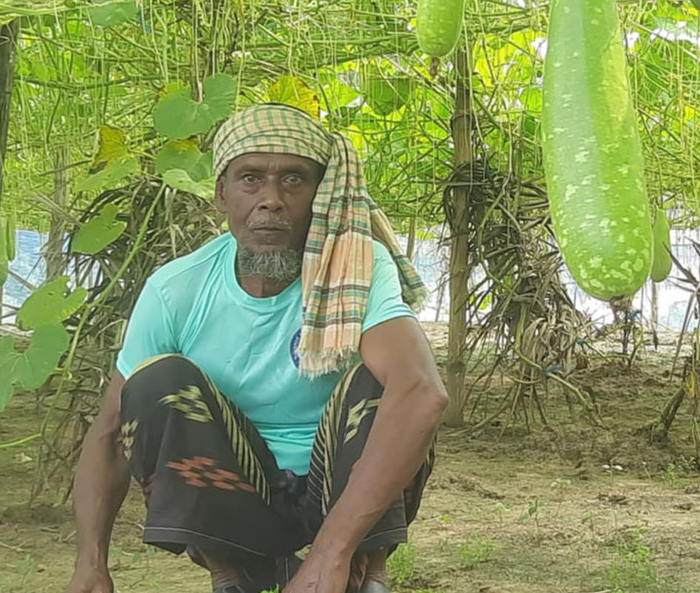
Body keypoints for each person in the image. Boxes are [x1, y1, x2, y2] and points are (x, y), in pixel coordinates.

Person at [64, 103, 449, 593]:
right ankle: (233, 571)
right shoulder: (177, 289)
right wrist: (90, 563)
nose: (271, 200)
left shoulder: (357, 265)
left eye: (293, 180)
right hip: (238, 495)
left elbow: (423, 392)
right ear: (222, 194)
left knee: (390, 379)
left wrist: (328, 556)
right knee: (157, 381)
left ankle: (359, 568)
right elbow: (109, 432)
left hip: (341, 490)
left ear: (321, 195)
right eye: (250, 179)